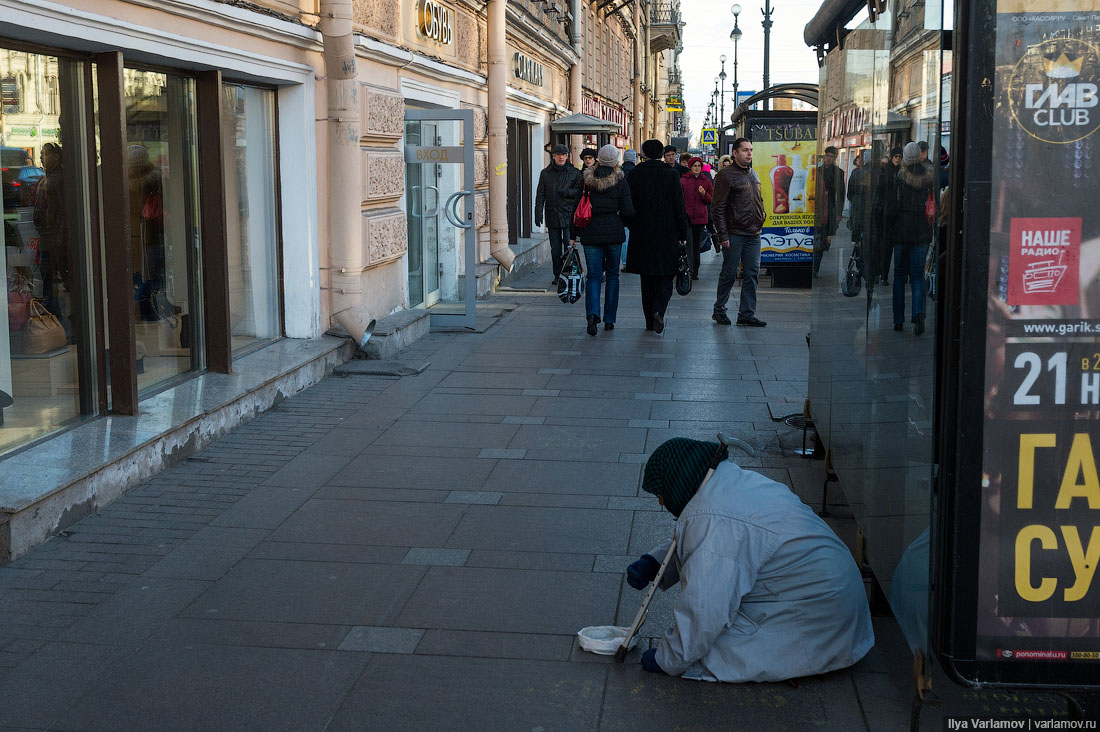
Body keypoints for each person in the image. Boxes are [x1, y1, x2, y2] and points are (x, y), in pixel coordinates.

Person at [625, 438, 875, 682]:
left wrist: (668, 659)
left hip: (822, 618)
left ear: (677, 483)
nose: (660, 501)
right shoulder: (724, 485)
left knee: (714, 650)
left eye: (660, 492)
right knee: (712, 629)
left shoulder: (715, 517)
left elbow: (705, 606)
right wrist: (656, 562)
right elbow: (705, 542)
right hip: (832, 595)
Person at [624, 139, 689, 334]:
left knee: (647, 278)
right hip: (666, 231)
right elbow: (679, 205)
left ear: (644, 153)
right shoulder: (670, 174)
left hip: (642, 232)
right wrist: (682, 232)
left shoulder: (634, 174)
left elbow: (628, 204)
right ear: (661, 153)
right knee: (666, 274)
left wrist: (632, 224)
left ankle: (649, 321)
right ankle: (660, 309)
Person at [571, 144, 634, 335]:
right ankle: (609, 320)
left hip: (590, 233)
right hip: (614, 233)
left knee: (594, 276)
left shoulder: (586, 180)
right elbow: (628, 211)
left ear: (598, 159)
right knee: (613, 276)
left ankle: (592, 315)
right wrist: (620, 219)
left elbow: (576, 207)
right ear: (615, 161)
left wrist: (572, 235)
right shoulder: (621, 181)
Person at [711, 137, 766, 327]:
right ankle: (719, 310)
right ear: (735, 153)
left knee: (752, 273)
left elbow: (758, 201)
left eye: (751, 150)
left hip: (753, 233)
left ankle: (746, 314)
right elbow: (717, 208)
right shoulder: (725, 175)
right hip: (734, 233)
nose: (749, 153)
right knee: (729, 273)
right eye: (745, 150)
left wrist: (762, 216)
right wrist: (723, 235)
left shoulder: (753, 174)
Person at [890, 141, 935, 335]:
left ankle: (898, 320)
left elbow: (892, 207)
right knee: (917, 276)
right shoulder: (929, 178)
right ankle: (918, 314)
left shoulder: (899, 177)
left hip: (901, 231)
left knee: (899, 276)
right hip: (922, 231)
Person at [534, 143, 584, 285]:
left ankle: (567, 273)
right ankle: (557, 275)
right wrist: (538, 213)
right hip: (552, 214)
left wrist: (567, 192)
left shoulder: (574, 172)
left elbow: (580, 193)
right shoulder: (545, 173)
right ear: (553, 156)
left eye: (563, 154)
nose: (561, 157)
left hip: (569, 215)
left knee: (568, 245)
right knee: (555, 249)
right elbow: (540, 195)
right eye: (558, 154)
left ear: (567, 156)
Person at [32, 142, 70, 319]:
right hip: (47, 235)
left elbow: (64, 210)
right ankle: (53, 312)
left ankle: (66, 315)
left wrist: (61, 235)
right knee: (46, 273)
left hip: (55, 235)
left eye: (44, 154)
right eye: (40, 154)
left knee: (62, 276)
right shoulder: (47, 177)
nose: (41, 157)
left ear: (56, 157)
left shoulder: (59, 178)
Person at [680, 157, 713, 280]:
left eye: (699, 166)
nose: (697, 168)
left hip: (700, 218)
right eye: (695, 166)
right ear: (690, 167)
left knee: (696, 246)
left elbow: (711, 200)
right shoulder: (683, 181)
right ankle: (689, 269)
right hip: (687, 218)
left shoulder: (706, 181)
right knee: (689, 244)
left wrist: (704, 194)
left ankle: (695, 271)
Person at [620, 149, 637, 270]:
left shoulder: (619, 172)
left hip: (621, 207)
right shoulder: (636, 172)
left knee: (625, 234)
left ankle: (625, 261)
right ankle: (631, 260)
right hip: (634, 206)